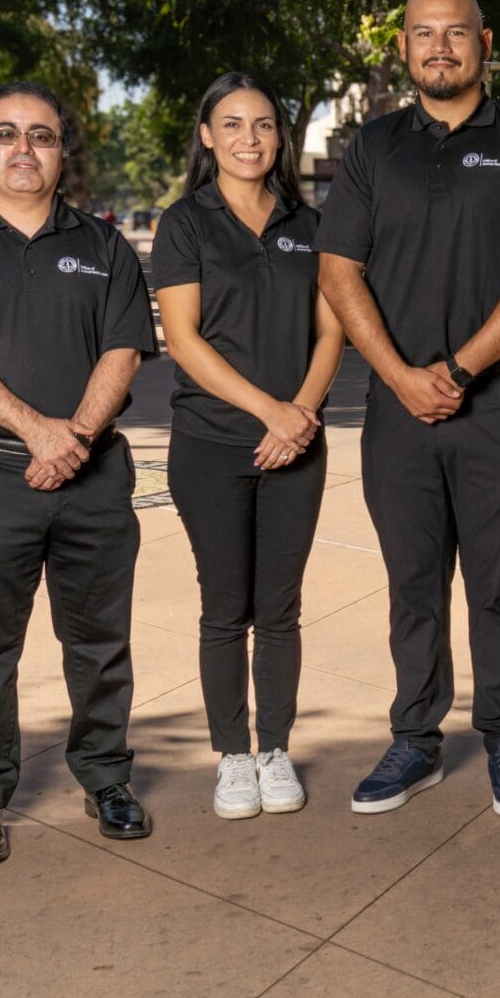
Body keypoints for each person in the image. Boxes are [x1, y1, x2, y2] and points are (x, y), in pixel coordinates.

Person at [318, 0, 500, 819]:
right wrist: (399, 375)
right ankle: (416, 740)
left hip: (495, 405)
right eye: (423, 34)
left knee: (494, 582)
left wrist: (458, 372)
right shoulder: (372, 147)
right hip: (395, 407)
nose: (440, 47)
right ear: (402, 48)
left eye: (455, 33)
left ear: (484, 42)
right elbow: (337, 271)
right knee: (412, 581)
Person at [0, 81, 157, 865]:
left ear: (60, 152)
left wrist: (72, 437)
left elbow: (123, 351)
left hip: (93, 476)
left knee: (100, 641)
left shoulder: (104, 246)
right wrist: (37, 433)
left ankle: (107, 777)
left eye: (40, 136)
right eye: (5, 134)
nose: (22, 148)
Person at [153, 72, 345, 820]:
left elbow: (332, 329)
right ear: (207, 135)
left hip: (297, 442)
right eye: (231, 124)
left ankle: (276, 749)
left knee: (282, 607)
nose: (248, 139)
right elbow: (184, 340)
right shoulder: (185, 222)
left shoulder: (309, 222)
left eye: (263, 124)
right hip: (212, 443)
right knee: (225, 607)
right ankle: (233, 752)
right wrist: (271, 410)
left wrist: (300, 412)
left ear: (281, 135)